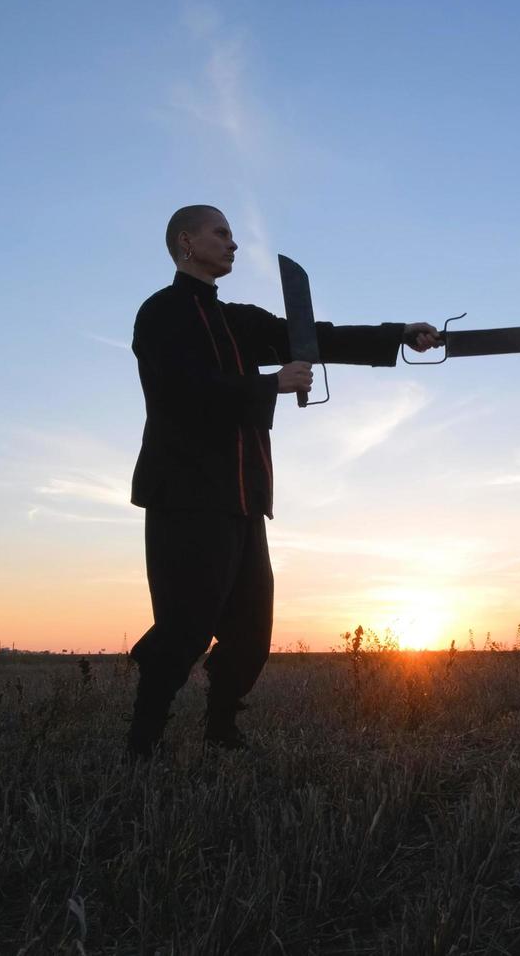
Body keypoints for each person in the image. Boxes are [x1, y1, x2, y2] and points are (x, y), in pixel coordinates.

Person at [125, 204, 440, 757]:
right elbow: (181, 390)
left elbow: (314, 337)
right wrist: (268, 385)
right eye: (220, 233)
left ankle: (221, 730)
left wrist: (399, 334)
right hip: (185, 496)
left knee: (251, 630)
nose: (233, 243)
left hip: (245, 497)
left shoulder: (240, 319)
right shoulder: (160, 314)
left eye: (232, 234)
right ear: (185, 242)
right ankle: (142, 742)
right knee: (186, 625)